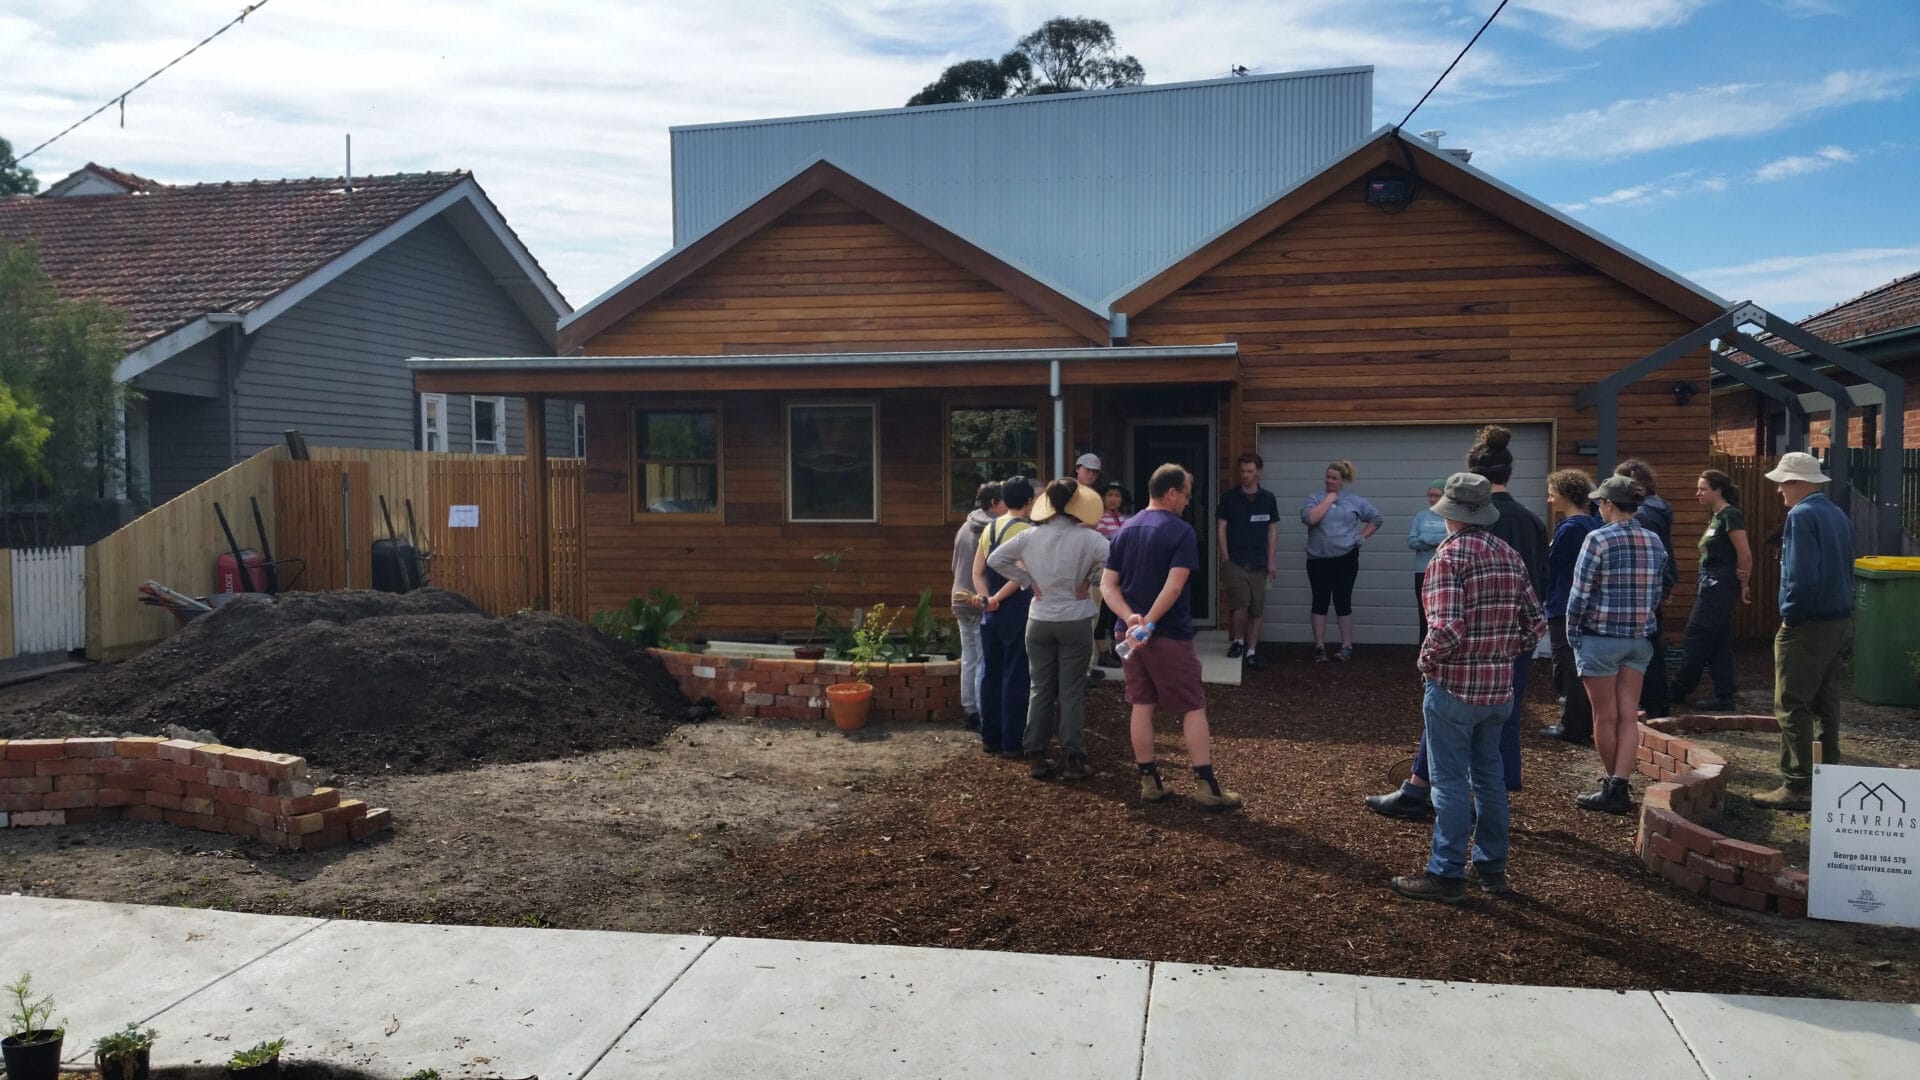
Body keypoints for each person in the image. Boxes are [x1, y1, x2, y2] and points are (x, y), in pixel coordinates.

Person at [1365, 427, 1546, 819]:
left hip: (1464, 653)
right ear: (1510, 472)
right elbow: (1538, 595)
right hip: (1508, 648)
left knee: (1446, 723)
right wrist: (1511, 644)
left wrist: (1427, 661)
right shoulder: (1531, 522)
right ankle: (1489, 806)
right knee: (1501, 728)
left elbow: (1448, 625)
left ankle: (1429, 804)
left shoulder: (1464, 540)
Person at [1391, 472, 1546, 904]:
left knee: (1448, 781)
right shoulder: (1509, 554)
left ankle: (1446, 873)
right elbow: (1535, 624)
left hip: (1455, 687)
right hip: (1498, 690)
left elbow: (1446, 629)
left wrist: (1425, 662)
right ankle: (1492, 867)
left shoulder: (1448, 557)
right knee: (1490, 778)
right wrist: (1502, 653)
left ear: (1450, 514)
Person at [1100, 463, 1242, 810]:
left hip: (1128, 634)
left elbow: (1107, 585)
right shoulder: (1181, 531)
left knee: (1141, 704)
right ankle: (1207, 787)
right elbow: (1174, 586)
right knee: (1193, 706)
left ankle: (1149, 782)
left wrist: (1130, 619)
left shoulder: (1124, 529)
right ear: (1172, 493)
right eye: (1187, 495)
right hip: (1167, 634)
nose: (1188, 502)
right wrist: (1148, 623)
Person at [989, 477, 1110, 781]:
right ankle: (1073, 758)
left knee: (1040, 688)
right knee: (1071, 691)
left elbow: (995, 559)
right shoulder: (1090, 539)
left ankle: (1035, 754)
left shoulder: (1030, 535)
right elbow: (1116, 560)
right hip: (1075, 619)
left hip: (1039, 619)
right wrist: (1091, 579)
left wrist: (1027, 580)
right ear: (1076, 504)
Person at [1754, 452, 1853, 812]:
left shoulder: (1801, 515)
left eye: (1783, 482)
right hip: (1838, 619)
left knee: (1792, 702)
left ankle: (1798, 784)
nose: (1779, 489)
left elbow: (1801, 574)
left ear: (1797, 482)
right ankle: (1827, 776)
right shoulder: (1837, 514)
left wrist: (1791, 616)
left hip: (1808, 623)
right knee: (1826, 702)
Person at [1565, 475, 1668, 814]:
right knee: (1628, 716)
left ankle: (1614, 787)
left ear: (1608, 504)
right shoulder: (1653, 540)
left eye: (1600, 502)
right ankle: (1619, 782)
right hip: (1638, 639)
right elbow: (1656, 592)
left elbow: (1579, 594)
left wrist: (1572, 635)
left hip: (1600, 638)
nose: (1598, 507)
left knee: (1605, 717)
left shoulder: (1597, 538)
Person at [1668, 469, 1752, 712]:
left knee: (1696, 634)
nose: (1698, 493)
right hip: (1711, 580)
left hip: (1719, 582)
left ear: (1718, 490)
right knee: (1718, 640)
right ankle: (1724, 695)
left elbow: (1744, 553)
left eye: (1703, 489)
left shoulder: (1730, 515)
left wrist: (1743, 583)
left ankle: (1679, 688)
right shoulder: (1716, 518)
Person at [972, 476, 1035, 757]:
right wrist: (998, 598)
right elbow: (1022, 574)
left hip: (990, 612)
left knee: (991, 673)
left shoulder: (989, 527)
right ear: (1029, 501)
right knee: (1015, 674)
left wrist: (987, 598)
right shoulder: (1027, 531)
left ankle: (990, 737)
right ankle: (1012, 741)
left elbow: (978, 571)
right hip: (1015, 610)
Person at [1539, 469, 1601, 745]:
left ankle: (1573, 726)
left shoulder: (1571, 528)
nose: (1549, 500)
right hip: (1583, 605)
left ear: (1566, 495)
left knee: (1566, 666)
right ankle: (1581, 722)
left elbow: (1552, 565)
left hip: (1564, 605)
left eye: (1552, 494)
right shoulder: (1592, 524)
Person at [1300, 459, 1384, 662]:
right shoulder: (1315, 498)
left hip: (1345, 559)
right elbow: (1310, 519)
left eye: (1334, 478)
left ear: (1342, 480)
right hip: (1318, 559)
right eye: (1327, 477)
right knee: (1319, 601)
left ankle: (1346, 646)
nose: (1329, 481)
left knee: (1343, 601)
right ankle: (1319, 647)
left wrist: (1361, 537)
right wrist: (1329, 499)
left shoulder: (1354, 501)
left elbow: (1376, 518)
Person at [1616, 460, 1677, 719]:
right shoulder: (1659, 507)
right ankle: (1656, 701)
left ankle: (1653, 703)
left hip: (1645, 585)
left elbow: (1646, 555)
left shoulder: (1643, 515)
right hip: (1659, 581)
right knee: (1652, 641)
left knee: (1646, 644)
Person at [1216, 451, 1279, 670]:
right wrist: (1225, 556)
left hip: (1259, 561)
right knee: (1240, 604)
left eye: (1250, 471)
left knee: (1256, 608)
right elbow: (1221, 528)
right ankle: (1238, 642)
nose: (1245, 475)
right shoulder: (1229, 498)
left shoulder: (1268, 499)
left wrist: (1271, 559)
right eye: (1242, 471)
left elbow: (1272, 530)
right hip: (1235, 560)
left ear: (1259, 472)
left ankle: (1252, 651)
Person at [951, 481, 1003, 730]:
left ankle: (970, 709)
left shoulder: (964, 526)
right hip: (981, 599)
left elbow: (955, 566)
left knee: (969, 657)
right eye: (1004, 501)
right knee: (984, 659)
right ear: (994, 503)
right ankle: (984, 713)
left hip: (960, 597)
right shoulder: (992, 529)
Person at [1093, 483, 1132, 669]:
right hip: (1104, 570)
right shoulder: (1099, 519)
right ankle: (1102, 652)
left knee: (1116, 612)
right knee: (1102, 613)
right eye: (1110, 495)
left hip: (1122, 571)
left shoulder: (1125, 519)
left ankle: (1118, 650)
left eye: (1117, 496)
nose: (1114, 499)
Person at [1407, 479, 1449, 643]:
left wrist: (1425, 537)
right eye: (1430, 495)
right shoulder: (1421, 516)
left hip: (1444, 571)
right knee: (1424, 611)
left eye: (1437, 495)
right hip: (1422, 570)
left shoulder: (1451, 517)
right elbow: (1412, 541)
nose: (1432, 499)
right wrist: (1438, 540)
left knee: (1443, 611)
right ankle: (1424, 647)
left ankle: (1442, 647)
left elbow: (1450, 539)